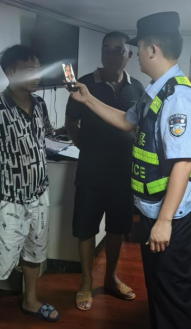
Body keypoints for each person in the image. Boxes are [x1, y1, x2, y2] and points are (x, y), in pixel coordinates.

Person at [68, 12, 191, 329]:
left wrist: (165, 222)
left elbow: (183, 162)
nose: (136, 54)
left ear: (152, 49)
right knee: (159, 288)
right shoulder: (155, 90)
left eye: (138, 47)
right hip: (155, 210)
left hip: (171, 215)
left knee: (173, 293)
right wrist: (88, 100)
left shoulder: (178, 97)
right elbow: (126, 120)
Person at [0, 44, 59, 327]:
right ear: (10, 72)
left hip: (39, 196)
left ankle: (30, 300)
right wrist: (4, 180)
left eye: (38, 68)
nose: (37, 75)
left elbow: (43, 140)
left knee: (35, 251)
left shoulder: (40, 104)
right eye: (29, 69)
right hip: (6, 201)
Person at [65, 31, 145, 311]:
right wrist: (85, 147)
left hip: (124, 172)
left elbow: (140, 126)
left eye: (118, 50)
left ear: (129, 55)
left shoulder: (138, 88)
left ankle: (110, 277)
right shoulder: (84, 84)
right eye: (106, 49)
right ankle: (86, 282)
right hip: (92, 170)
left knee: (117, 227)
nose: (111, 54)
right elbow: (71, 122)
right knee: (86, 227)